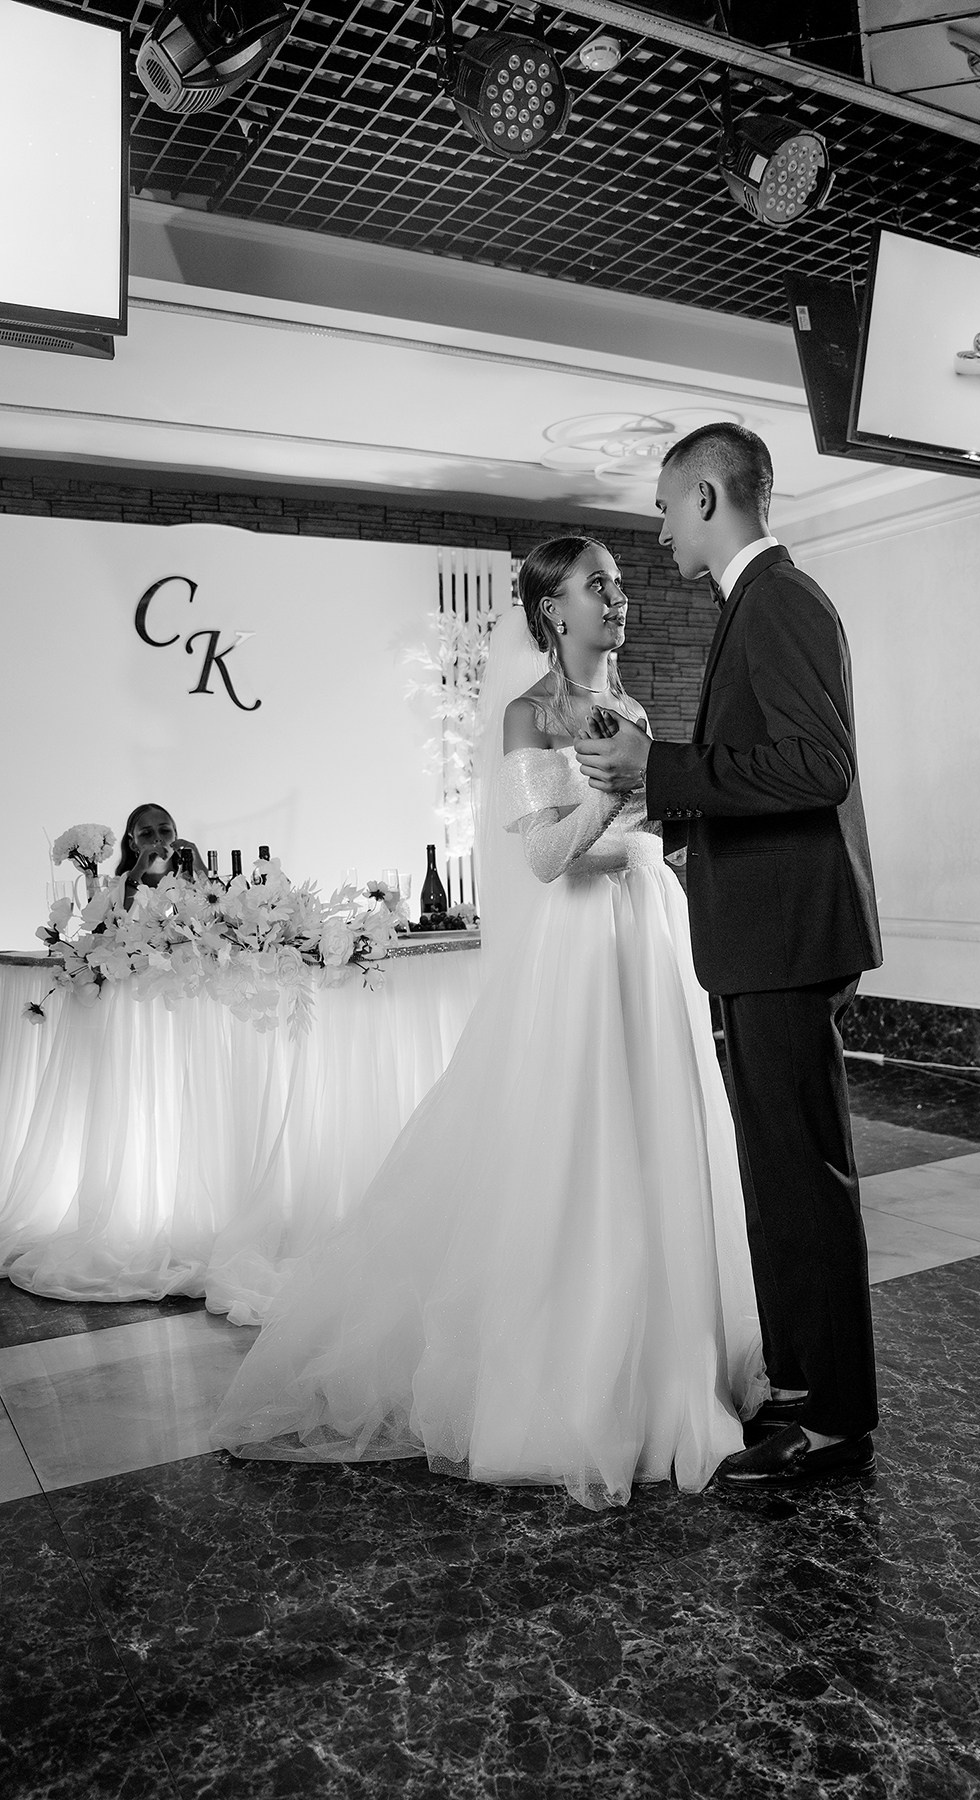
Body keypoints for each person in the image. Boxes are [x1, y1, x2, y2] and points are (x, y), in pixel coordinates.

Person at [211, 536, 767, 1509]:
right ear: (552, 609)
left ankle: (675, 1358)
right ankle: (575, 1374)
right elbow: (546, 858)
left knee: (663, 1135)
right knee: (583, 1143)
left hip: (649, 936)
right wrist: (618, 794)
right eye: (598, 585)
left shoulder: (635, 713)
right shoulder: (528, 716)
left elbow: (651, 830)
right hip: (580, 946)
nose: (619, 598)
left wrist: (675, 819)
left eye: (620, 585)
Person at [574, 424, 883, 1489]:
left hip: (786, 939)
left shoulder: (780, 600)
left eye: (666, 506)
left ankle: (834, 1419)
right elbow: (765, 769)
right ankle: (799, 1383)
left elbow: (816, 766)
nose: (660, 530)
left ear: (707, 497)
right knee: (778, 1176)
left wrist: (661, 767)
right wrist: (671, 798)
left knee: (803, 1181)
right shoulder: (753, 602)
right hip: (765, 937)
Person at [112, 803, 202, 911]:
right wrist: (138, 870)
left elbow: (217, 912)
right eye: (146, 833)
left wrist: (199, 867)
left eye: (164, 831)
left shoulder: (192, 883)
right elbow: (122, 916)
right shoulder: (118, 886)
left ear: (175, 835)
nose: (158, 838)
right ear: (133, 844)